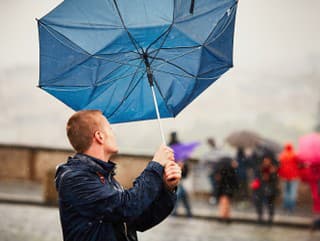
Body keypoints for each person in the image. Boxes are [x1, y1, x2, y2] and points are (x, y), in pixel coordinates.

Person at [55, 110, 182, 241]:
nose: (113, 134)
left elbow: (139, 219)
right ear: (99, 136)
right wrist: (156, 165)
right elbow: (126, 207)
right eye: (110, 129)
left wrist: (167, 188)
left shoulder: (104, 176)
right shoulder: (75, 178)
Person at [168, 131, 193, 217]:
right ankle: (188, 212)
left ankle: (175, 211)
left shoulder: (170, 145)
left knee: (178, 193)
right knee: (182, 193)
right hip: (180, 172)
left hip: (175, 171)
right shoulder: (178, 145)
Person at [252, 155, 279, 224]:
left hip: (270, 188)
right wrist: (262, 177)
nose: (266, 162)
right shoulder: (259, 168)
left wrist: (272, 174)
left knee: (270, 203)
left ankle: (270, 218)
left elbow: (275, 179)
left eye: (268, 160)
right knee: (258, 203)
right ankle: (260, 217)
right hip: (260, 189)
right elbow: (256, 178)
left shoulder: (273, 169)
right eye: (265, 160)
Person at [212, 157, 239, 222]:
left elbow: (234, 180)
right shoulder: (227, 170)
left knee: (226, 203)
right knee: (224, 202)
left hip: (226, 189)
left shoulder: (228, 170)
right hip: (225, 189)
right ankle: (223, 216)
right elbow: (233, 180)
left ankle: (225, 216)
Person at [278, 143, 300, 213]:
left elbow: (279, 166)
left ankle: (285, 206)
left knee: (286, 192)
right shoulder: (294, 155)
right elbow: (299, 163)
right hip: (294, 176)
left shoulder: (282, 155)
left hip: (284, 176)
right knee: (292, 192)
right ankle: (291, 207)